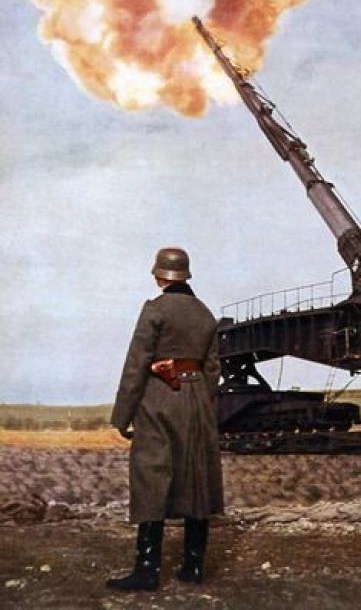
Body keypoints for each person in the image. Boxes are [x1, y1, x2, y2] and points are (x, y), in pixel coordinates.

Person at [106, 247, 224, 592]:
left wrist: (122, 415)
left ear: (160, 275)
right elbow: (214, 369)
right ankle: (193, 566)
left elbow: (136, 364)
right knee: (197, 478)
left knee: (151, 475)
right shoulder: (205, 314)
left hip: (159, 398)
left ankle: (146, 569)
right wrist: (200, 396)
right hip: (198, 399)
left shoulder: (154, 310)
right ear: (185, 275)